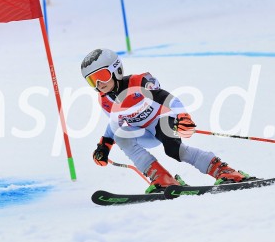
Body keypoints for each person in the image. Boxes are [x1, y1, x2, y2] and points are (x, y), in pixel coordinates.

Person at [81, 48, 251, 193]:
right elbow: (115, 123)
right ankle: (163, 179)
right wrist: (104, 145)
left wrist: (182, 116)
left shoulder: (138, 82)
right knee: (121, 135)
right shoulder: (104, 100)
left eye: (101, 75)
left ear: (116, 69)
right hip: (142, 133)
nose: (98, 83)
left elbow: (168, 99)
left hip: (161, 120)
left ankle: (225, 171)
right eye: (91, 80)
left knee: (174, 150)